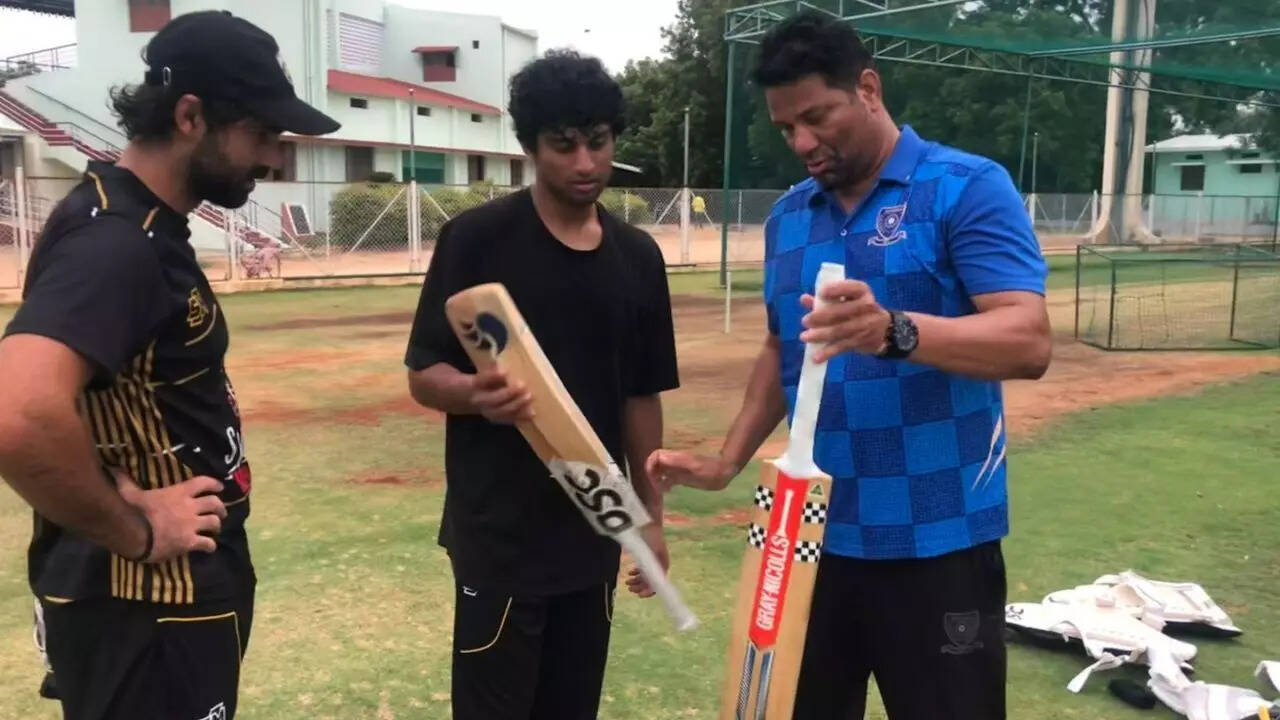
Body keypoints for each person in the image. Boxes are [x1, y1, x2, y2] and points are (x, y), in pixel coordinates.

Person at [646, 12, 1051, 720]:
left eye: (816, 117)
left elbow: (1028, 339)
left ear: (867, 88)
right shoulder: (790, 217)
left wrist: (893, 330)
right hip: (806, 540)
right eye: (785, 129)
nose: (803, 143)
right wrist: (727, 459)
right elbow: (782, 348)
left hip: (939, 542)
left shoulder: (966, 187)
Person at [0, 11, 339, 720]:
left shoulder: (126, 218)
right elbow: (16, 412)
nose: (272, 158)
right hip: (148, 601)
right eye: (260, 134)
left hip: (157, 600)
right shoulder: (119, 244)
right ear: (191, 116)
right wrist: (137, 529)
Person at [404, 50, 679, 720]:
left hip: (593, 533)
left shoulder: (638, 259)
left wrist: (650, 518)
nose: (585, 163)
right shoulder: (477, 241)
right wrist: (474, 396)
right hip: (499, 540)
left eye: (598, 142)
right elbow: (424, 373)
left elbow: (640, 397)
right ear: (530, 147)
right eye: (563, 146)